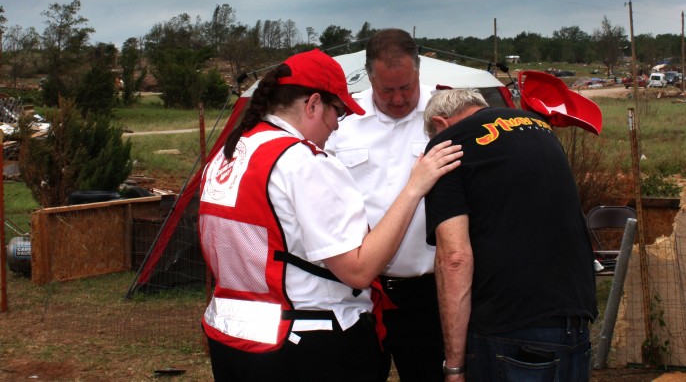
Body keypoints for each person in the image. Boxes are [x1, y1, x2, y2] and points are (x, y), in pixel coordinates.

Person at [198, 49, 462, 382]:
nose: (337, 125)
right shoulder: (303, 163)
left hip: (235, 336)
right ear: (312, 104)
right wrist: (414, 188)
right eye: (336, 111)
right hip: (308, 340)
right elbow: (359, 269)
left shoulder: (227, 155)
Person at [423, 78, 601, 381]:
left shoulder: (449, 144)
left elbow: (454, 258)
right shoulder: (537, 127)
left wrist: (453, 366)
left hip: (508, 328)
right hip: (575, 320)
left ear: (442, 123)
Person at [326, 28, 444, 381]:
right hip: (357, 295)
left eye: (406, 87)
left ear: (419, 72)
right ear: (370, 77)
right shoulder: (341, 120)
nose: (397, 99)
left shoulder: (446, 115)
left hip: (428, 294)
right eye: (386, 90)